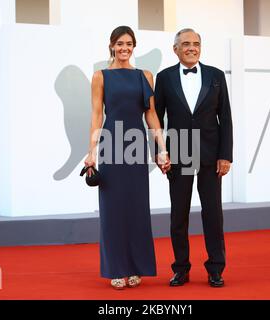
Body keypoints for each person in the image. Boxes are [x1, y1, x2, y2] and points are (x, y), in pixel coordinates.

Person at [83, 26, 170, 289]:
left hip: (135, 144)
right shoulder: (100, 76)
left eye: (129, 44)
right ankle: (116, 269)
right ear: (111, 45)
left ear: (134, 46)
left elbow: (151, 114)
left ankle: (136, 266)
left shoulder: (145, 76)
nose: (124, 48)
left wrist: (162, 148)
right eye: (119, 44)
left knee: (136, 207)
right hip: (111, 144)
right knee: (113, 209)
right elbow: (97, 115)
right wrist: (91, 151)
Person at [154, 28, 233, 287]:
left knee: (213, 214)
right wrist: (159, 151)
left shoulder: (216, 76)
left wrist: (225, 155)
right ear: (175, 48)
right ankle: (181, 268)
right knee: (179, 215)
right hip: (178, 153)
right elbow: (156, 120)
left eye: (196, 43)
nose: (191, 48)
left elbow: (226, 119)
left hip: (211, 154)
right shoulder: (164, 78)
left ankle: (215, 269)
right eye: (185, 44)